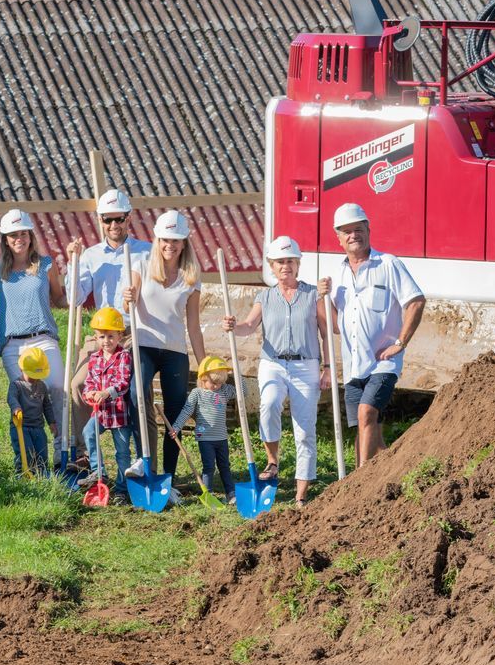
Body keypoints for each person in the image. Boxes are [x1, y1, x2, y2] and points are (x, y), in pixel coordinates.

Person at [223, 235, 332, 506]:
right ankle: (273, 461)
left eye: (290, 261)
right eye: (280, 262)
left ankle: (301, 494)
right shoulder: (265, 296)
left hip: (305, 365)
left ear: (298, 264)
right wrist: (233, 327)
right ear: (271, 266)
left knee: (305, 429)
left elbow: (328, 332)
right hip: (272, 363)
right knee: (269, 403)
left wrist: (328, 367)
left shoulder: (312, 294)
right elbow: (248, 326)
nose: (286, 266)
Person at [323, 203, 425, 468]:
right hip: (354, 364)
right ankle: (393, 471)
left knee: (366, 413)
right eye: (346, 231)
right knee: (368, 429)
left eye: (358, 229)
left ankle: (359, 482)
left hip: (383, 362)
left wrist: (400, 343)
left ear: (368, 229)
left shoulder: (388, 264)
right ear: (338, 237)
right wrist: (320, 299)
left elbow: (415, 301)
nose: (353, 235)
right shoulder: (338, 273)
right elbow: (334, 325)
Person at [65, 189, 152, 459]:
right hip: (102, 334)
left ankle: (143, 456)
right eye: (107, 220)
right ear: (99, 220)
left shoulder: (145, 252)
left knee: (137, 391)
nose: (113, 225)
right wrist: (73, 263)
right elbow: (75, 298)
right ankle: (83, 452)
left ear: (129, 218)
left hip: (132, 331)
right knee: (77, 384)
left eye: (119, 219)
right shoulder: (90, 255)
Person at [121, 210, 206, 479]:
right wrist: (128, 297)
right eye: (165, 240)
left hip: (175, 350)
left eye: (176, 240)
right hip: (144, 343)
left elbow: (193, 325)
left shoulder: (191, 275)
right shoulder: (142, 263)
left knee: (175, 414)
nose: (170, 245)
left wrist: (204, 365)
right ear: (157, 240)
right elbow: (127, 304)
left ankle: (167, 477)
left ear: (184, 243)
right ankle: (143, 458)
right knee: (136, 394)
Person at [0, 208, 67, 462]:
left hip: (43, 337)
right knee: (27, 398)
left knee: (57, 387)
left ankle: (62, 450)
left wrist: (79, 295)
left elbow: (59, 296)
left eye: (23, 233)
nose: (19, 239)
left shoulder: (46, 265)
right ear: (5, 239)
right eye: (13, 235)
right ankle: (29, 458)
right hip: (13, 344)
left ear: (30, 236)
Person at [79, 307, 133, 495]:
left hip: (119, 412)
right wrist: (90, 394)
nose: (106, 341)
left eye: (110, 336)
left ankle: (122, 489)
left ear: (119, 336)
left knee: (122, 452)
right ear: (96, 337)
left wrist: (106, 393)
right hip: (101, 412)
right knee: (88, 432)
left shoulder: (123, 356)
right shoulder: (94, 358)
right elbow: (89, 382)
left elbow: (123, 382)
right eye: (102, 337)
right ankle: (98, 470)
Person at [170, 356, 238, 504]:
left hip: (222, 437)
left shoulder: (224, 391)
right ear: (203, 378)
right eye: (213, 382)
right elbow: (187, 411)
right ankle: (209, 494)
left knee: (225, 466)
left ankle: (231, 493)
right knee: (209, 467)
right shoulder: (197, 393)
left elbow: (242, 391)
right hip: (205, 438)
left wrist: (236, 372)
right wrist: (176, 426)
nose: (216, 386)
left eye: (220, 382)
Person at [7, 347, 58, 475]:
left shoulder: (42, 386)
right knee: (26, 452)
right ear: (21, 369)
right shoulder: (17, 385)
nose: (35, 379)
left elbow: (47, 405)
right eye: (32, 376)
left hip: (38, 427)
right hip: (21, 427)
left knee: (42, 453)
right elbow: (11, 398)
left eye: (38, 376)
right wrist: (16, 407)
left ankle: (42, 475)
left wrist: (51, 422)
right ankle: (22, 474)